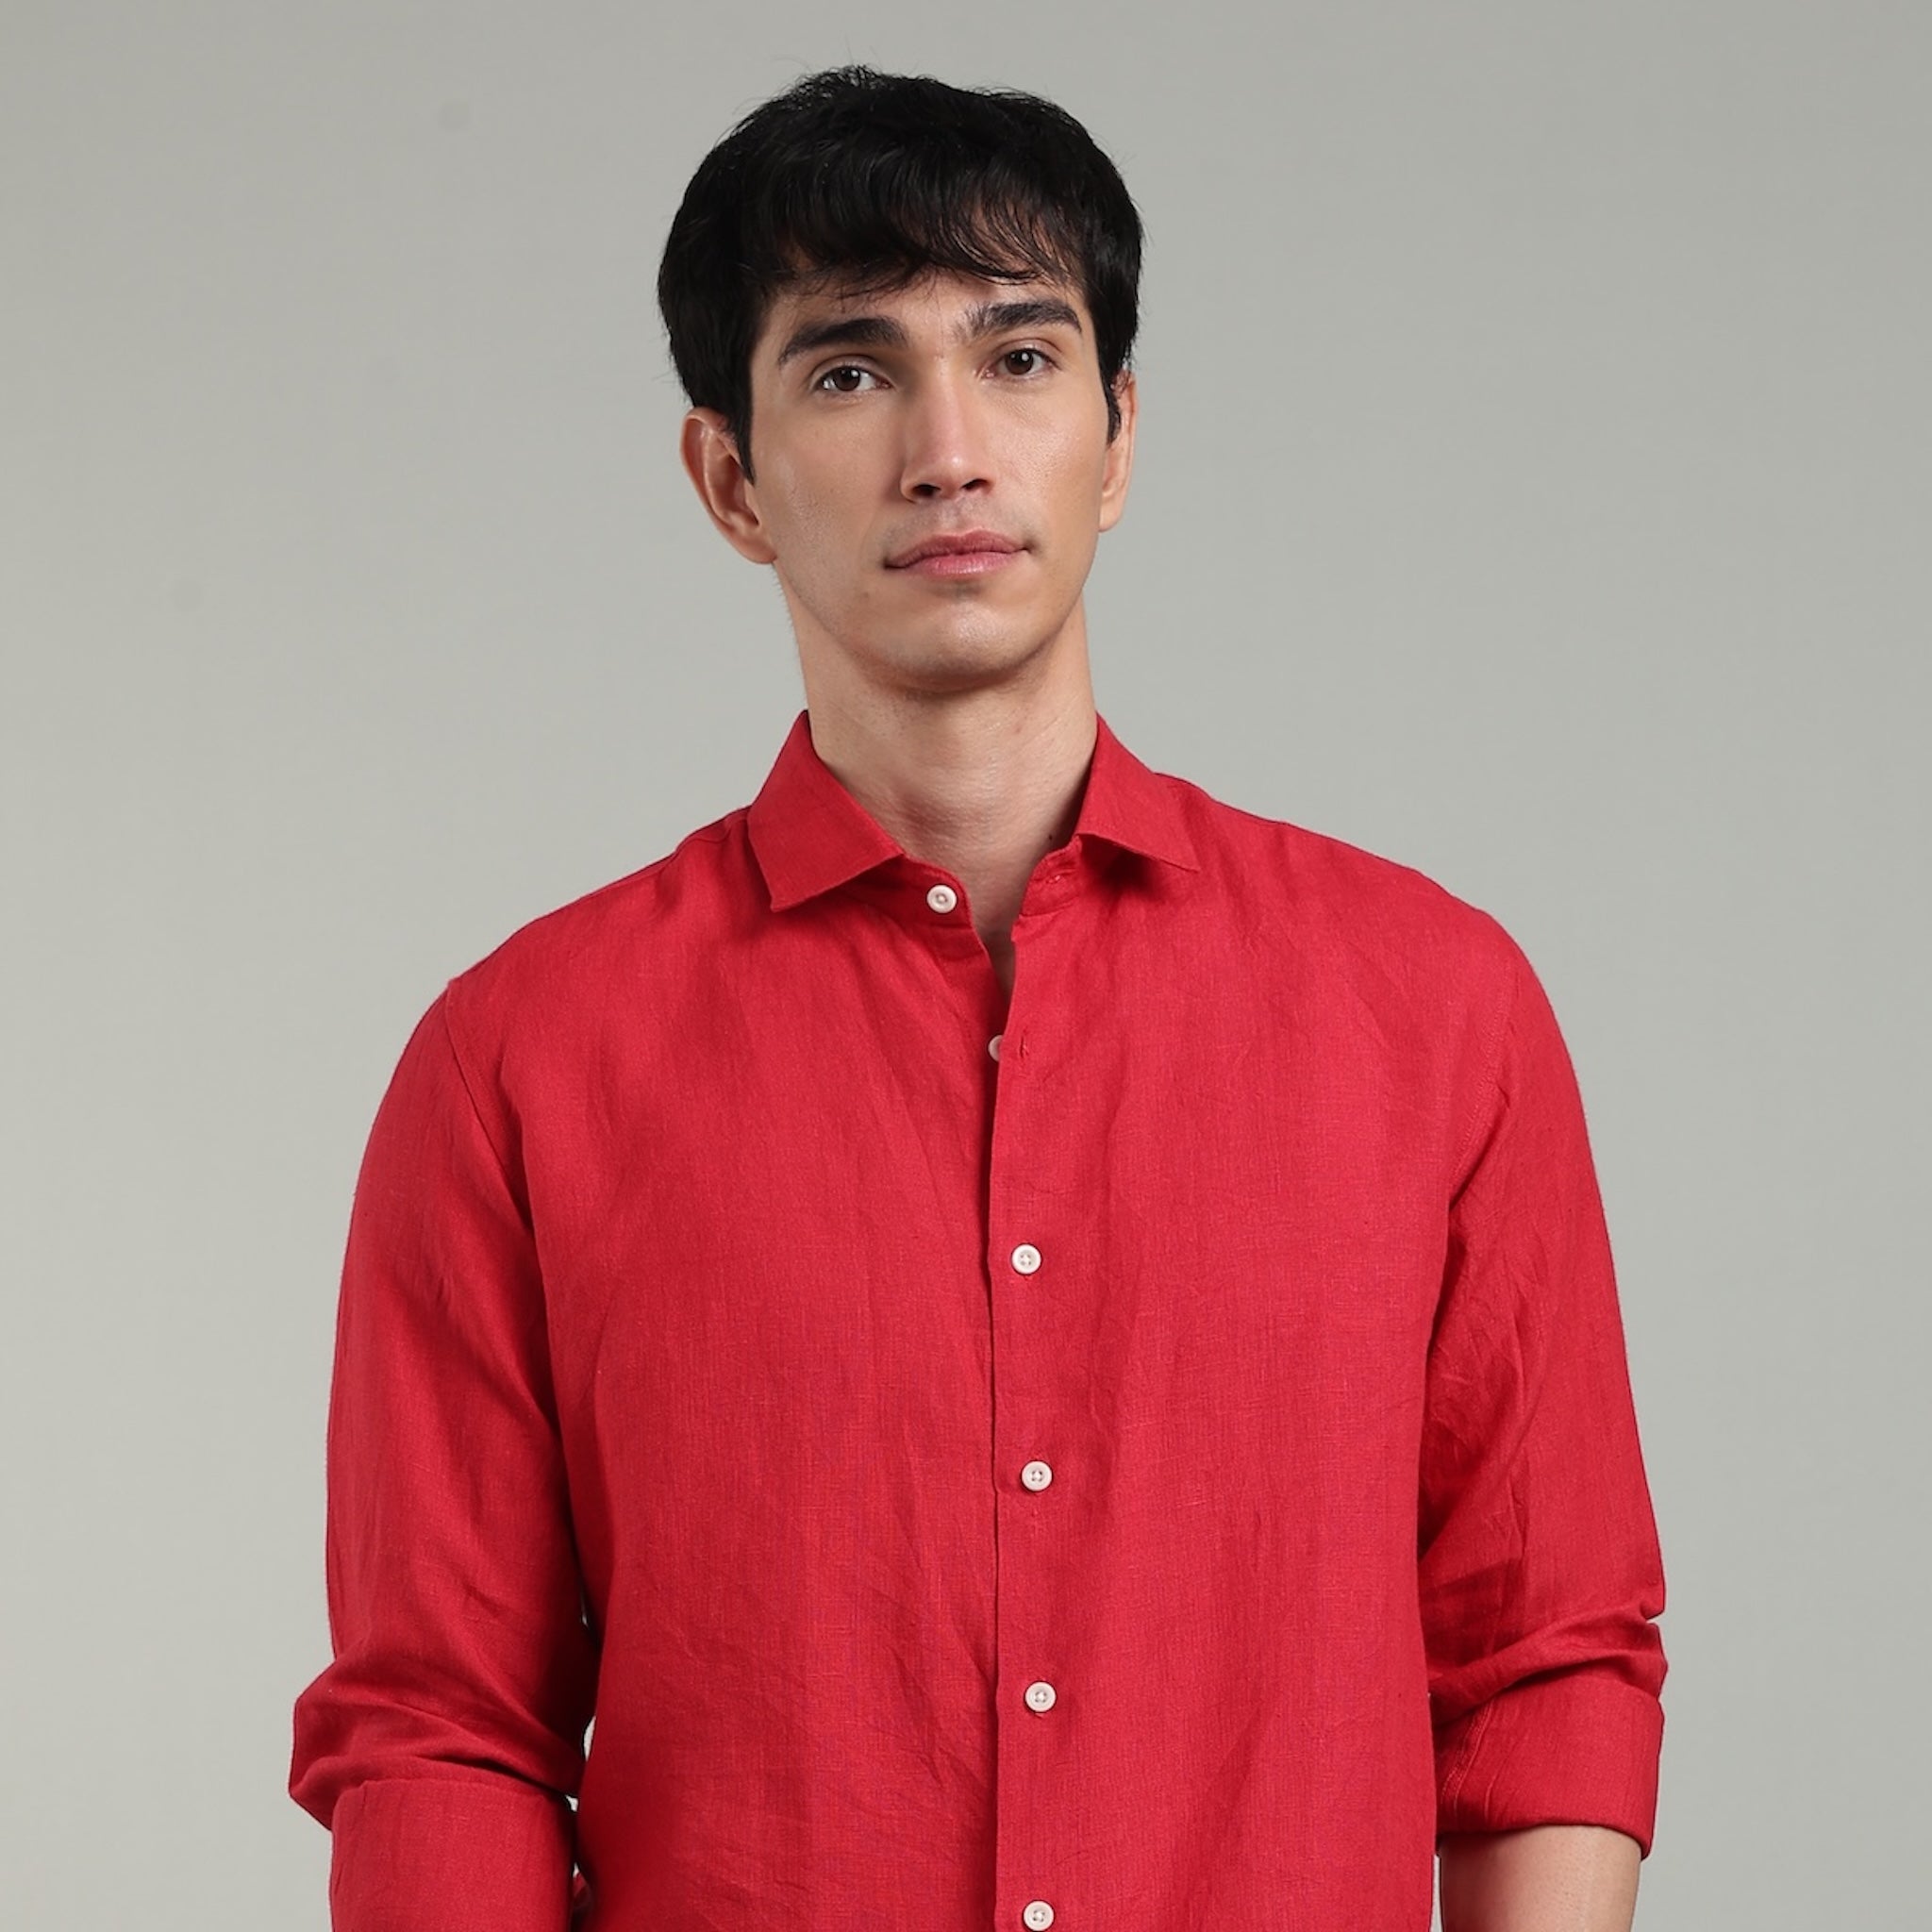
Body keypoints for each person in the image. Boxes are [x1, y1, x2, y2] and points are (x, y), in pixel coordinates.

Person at [289, 65, 1667, 1932]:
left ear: (1117, 434)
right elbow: (443, 1731)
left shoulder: (1436, 1010)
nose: (949, 449)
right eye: (851, 372)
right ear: (730, 480)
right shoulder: (519, 1064)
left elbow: (1544, 1663)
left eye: (1019, 357)